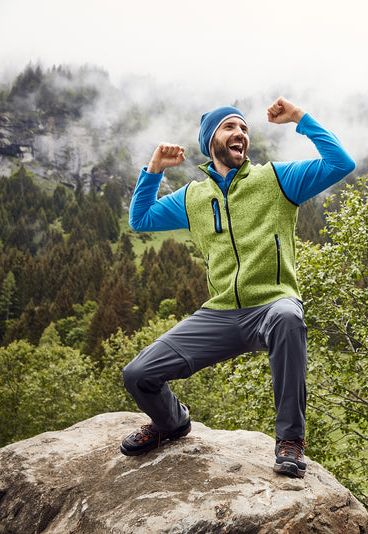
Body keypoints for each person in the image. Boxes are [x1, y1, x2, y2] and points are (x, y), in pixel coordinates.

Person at [119, 97, 355, 479]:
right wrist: (154, 169)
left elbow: (341, 163)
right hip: (221, 313)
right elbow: (140, 219)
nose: (240, 133)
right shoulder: (193, 198)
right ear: (210, 141)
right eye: (230, 127)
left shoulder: (276, 180)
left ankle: (290, 441)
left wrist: (299, 118)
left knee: (288, 316)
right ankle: (171, 423)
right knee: (138, 373)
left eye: (244, 129)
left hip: (271, 307)